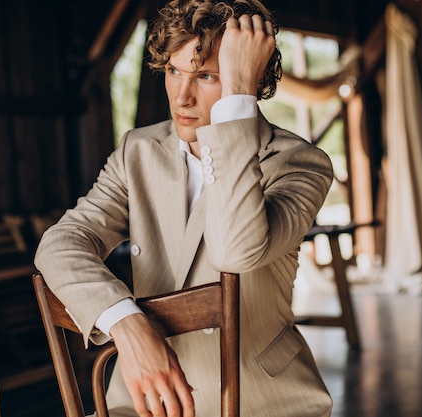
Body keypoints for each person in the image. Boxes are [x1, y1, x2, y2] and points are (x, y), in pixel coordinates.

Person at [34, 0, 334, 416]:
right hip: (143, 401)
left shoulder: (299, 163)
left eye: (206, 76)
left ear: (249, 79)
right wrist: (126, 324)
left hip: (261, 400)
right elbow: (59, 244)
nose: (182, 95)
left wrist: (236, 103)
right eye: (174, 71)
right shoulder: (137, 151)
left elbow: (235, 252)